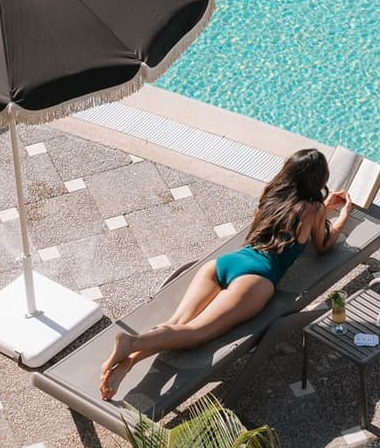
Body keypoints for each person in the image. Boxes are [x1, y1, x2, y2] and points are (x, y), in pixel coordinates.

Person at [101, 148, 352, 400]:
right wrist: (342, 217)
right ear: (317, 180)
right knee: (197, 334)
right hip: (256, 279)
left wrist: (324, 209)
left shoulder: (274, 195)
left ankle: (127, 363)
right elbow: (323, 246)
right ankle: (132, 343)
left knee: (177, 323)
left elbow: (291, 221)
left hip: (224, 265)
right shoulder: (313, 209)